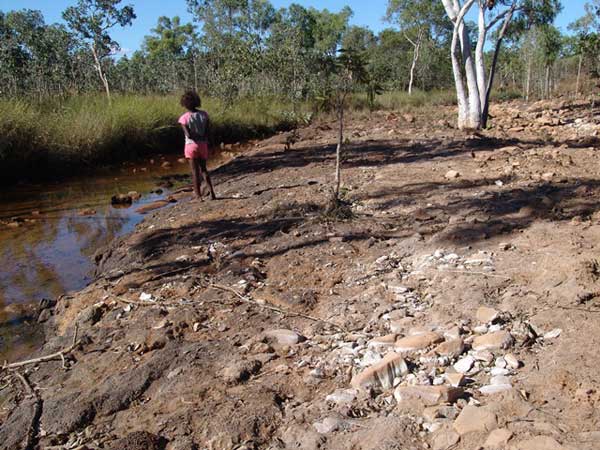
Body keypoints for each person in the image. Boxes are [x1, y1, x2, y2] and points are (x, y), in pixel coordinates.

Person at [178, 90, 216, 200]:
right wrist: (212, 146)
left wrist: (195, 138)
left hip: (191, 146)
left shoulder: (184, 118)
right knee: (204, 170)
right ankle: (212, 193)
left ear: (184, 104)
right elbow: (209, 132)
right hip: (203, 145)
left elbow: (188, 135)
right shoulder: (204, 115)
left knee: (195, 172)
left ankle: (198, 196)